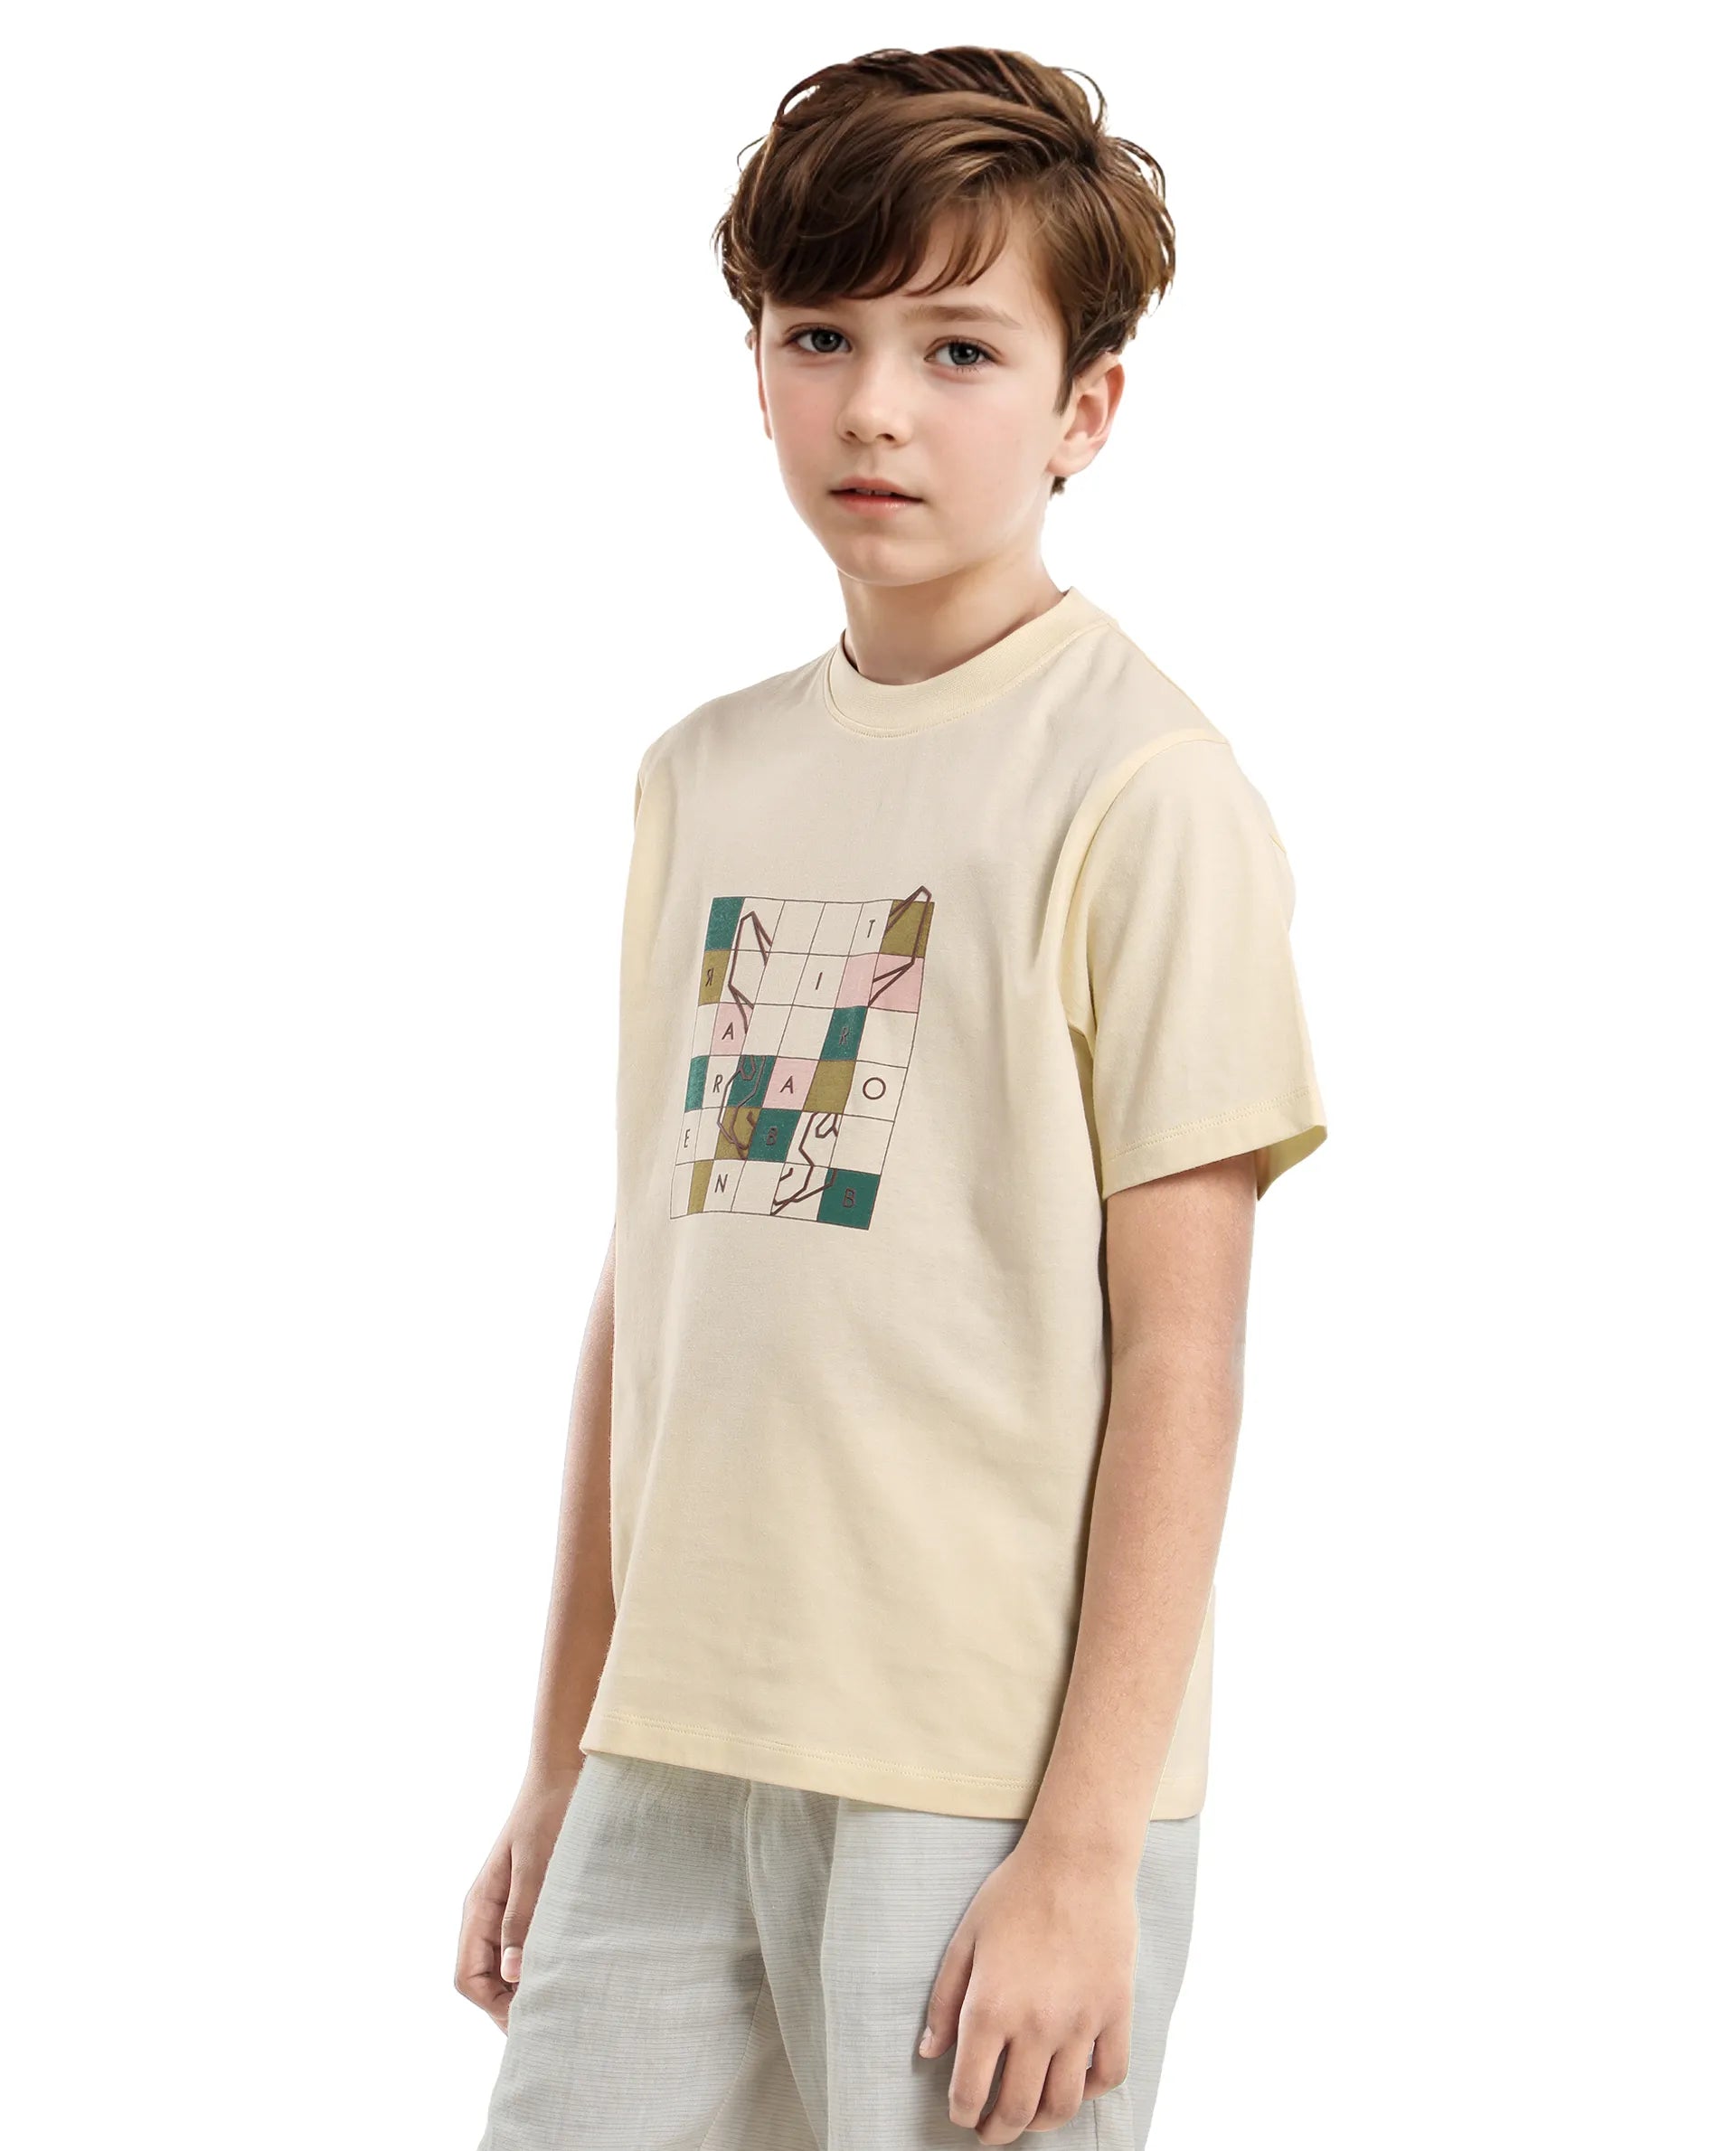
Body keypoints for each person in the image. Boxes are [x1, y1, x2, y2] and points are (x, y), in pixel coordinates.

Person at [458, 42, 1327, 2149]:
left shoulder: (1143, 789)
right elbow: (659, 1287)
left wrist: (1085, 1845)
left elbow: (1184, 1356)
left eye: (959, 348)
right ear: (756, 364)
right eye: (818, 335)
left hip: (980, 1775)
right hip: (676, 1744)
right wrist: (565, 1749)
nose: (874, 408)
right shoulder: (702, 780)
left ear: (1085, 406)